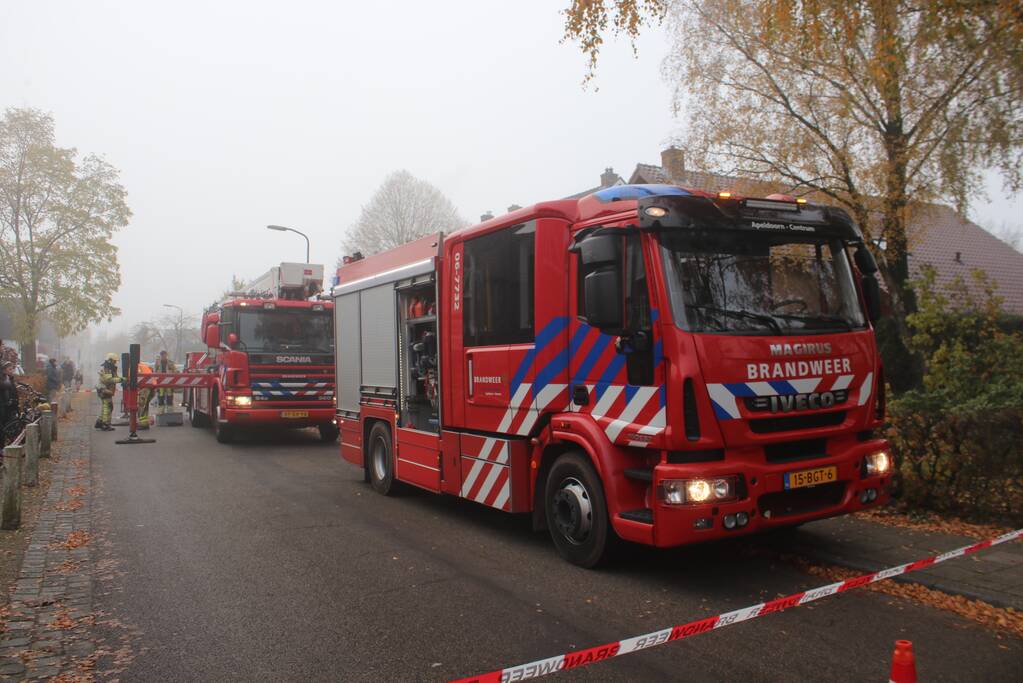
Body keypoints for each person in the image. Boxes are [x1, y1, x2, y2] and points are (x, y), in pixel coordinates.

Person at [95, 354, 122, 431]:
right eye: (114, 361)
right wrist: (122, 379)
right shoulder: (107, 369)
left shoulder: (111, 368)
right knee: (108, 406)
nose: (115, 363)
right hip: (104, 390)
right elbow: (109, 380)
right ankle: (105, 424)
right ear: (110, 360)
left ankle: (100, 422)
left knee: (106, 406)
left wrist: (120, 379)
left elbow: (115, 377)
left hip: (106, 389)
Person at [155, 350, 177, 414]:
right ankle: (161, 412)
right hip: (160, 384)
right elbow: (154, 372)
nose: (163, 356)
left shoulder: (170, 363)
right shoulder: (157, 363)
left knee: (169, 397)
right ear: (161, 356)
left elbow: (175, 371)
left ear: (166, 355)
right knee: (160, 397)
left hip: (169, 383)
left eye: (164, 355)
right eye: (162, 355)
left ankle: (170, 412)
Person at [0, 360, 18, 436]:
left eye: (12, 369)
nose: (12, 371)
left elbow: (13, 391)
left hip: (8, 405)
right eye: (10, 369)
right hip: (3, 405)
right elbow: (5, 386)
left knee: (7, 426)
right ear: (4, 370)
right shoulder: (3, 378)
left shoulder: (9, 378)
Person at [136, 361, 154, 429]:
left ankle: (142, 423)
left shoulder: (138, 367)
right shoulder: (143, 366)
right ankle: (144, 422)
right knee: (145, 406)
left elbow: (135, 378)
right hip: (149, 387)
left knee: (142, 405)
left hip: (145, 388)